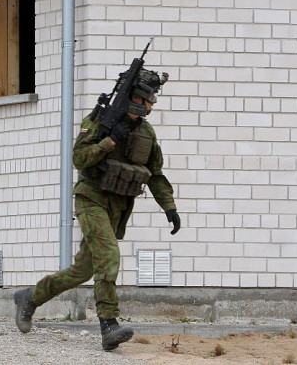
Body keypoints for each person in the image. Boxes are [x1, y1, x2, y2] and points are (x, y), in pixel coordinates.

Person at [13, 69, 180, 351]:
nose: (151, 104)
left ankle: (29, 297)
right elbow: (79, 158)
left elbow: (155, 174)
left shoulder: (145, 132)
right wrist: (109, 140)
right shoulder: (99, 123)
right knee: (109, 257)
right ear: (135, 97)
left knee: (82, 270)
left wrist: (169, 207)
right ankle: (108, 325)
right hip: (90, 199)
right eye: (149, 99)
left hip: (116, 207)